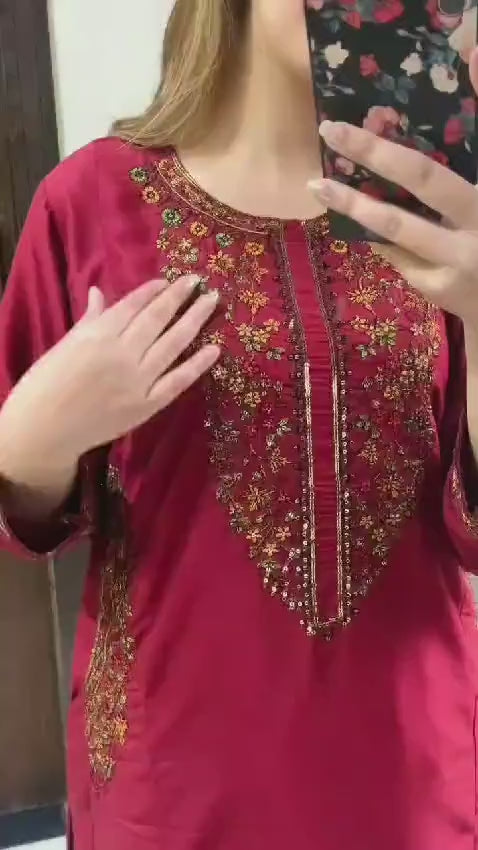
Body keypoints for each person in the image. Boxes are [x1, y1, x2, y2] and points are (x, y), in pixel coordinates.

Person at [1, 0, 478, 847]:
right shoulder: (89, 201)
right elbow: (26, 513)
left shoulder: (446, 214)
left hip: (413, 774)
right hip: (173, 785)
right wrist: (34, 441)